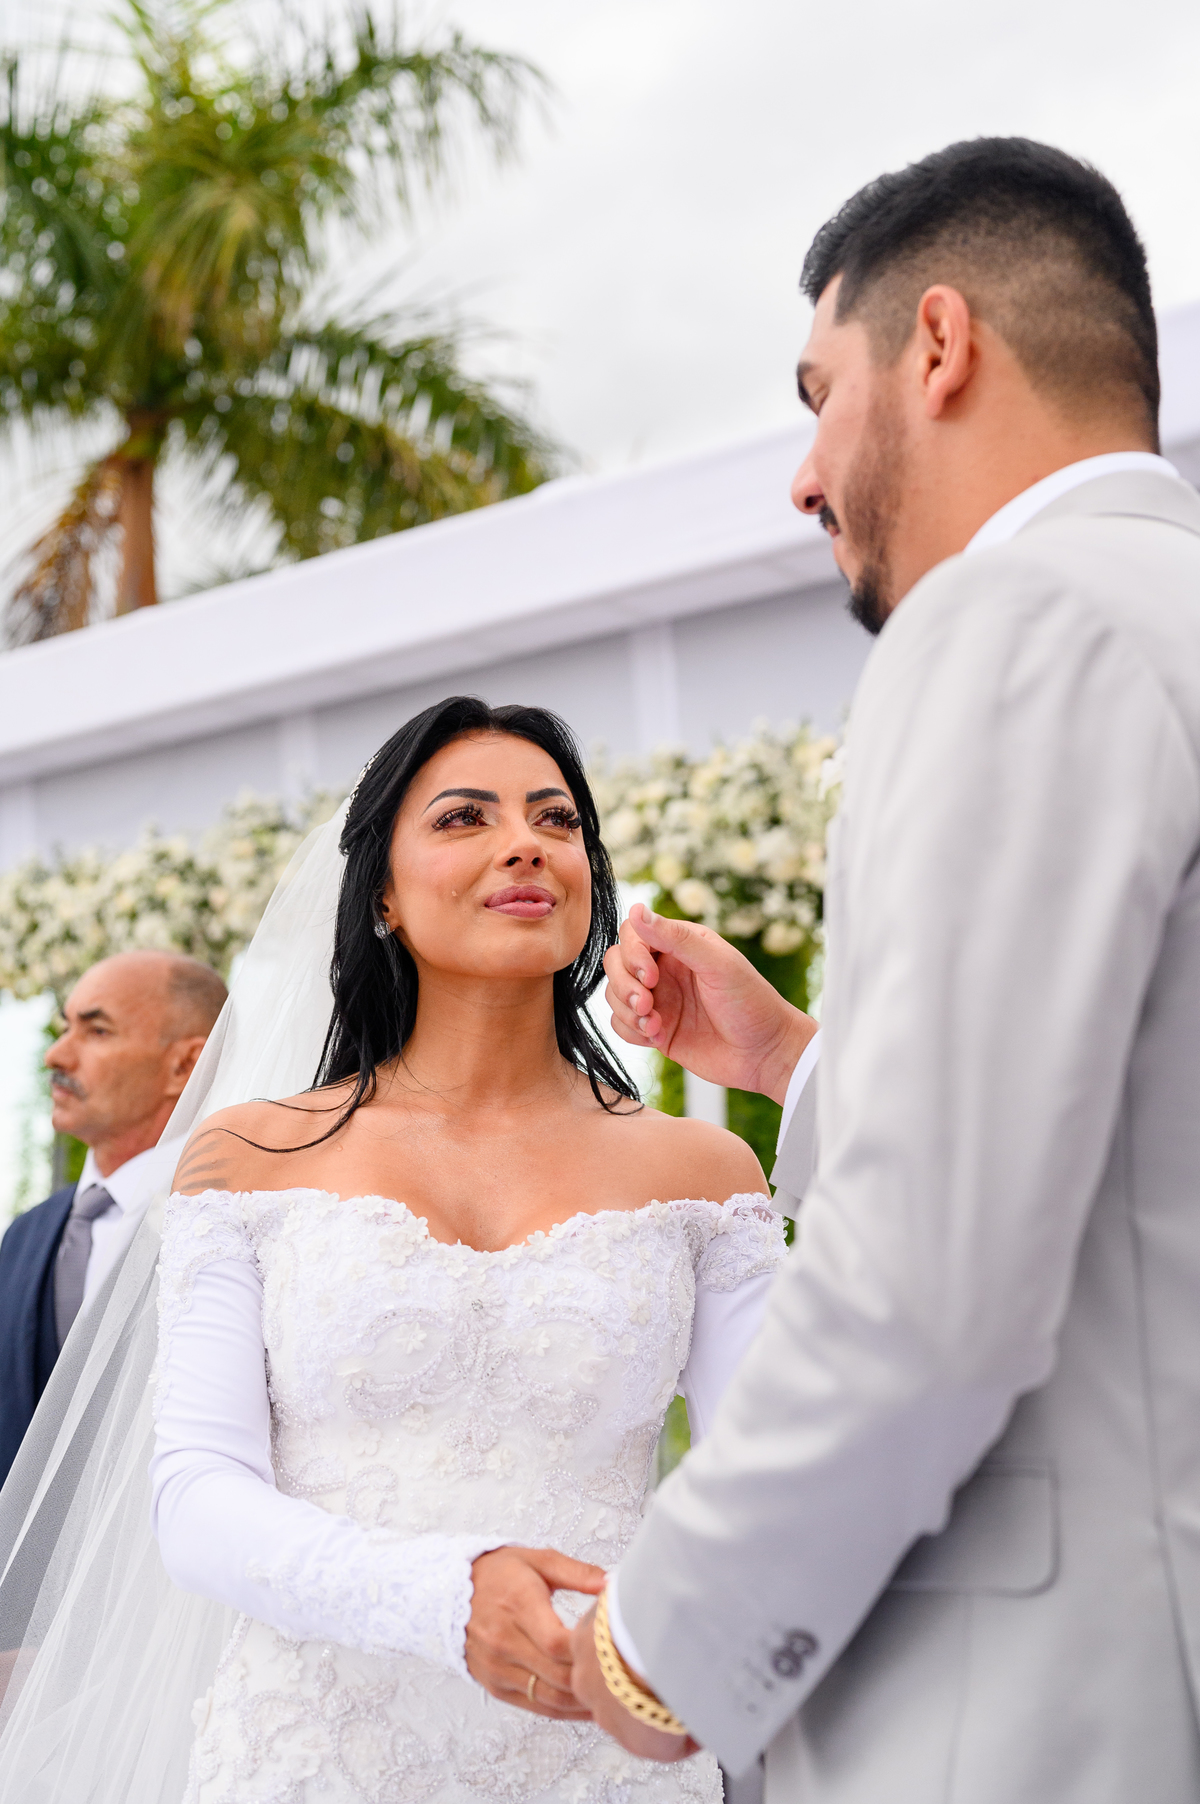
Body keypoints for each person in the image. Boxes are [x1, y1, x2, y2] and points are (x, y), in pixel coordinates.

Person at [572, 137, 1200, 1803]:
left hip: (1059, 1713)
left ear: (938, 344)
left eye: (816, 395)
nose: (804, 477)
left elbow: (927, 1286)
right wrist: (795, 1060)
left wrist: (658, 1641)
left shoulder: (1019, 617)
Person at [0, 697, 818, 1804]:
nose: (525, 843)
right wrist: (445, 1593)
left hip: (599, 1751)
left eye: (557, 819)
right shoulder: (251, 1156)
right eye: (465, 817)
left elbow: (777, 1484)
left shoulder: (702, 1171)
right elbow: (195, 1497)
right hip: (309, 1754)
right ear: (381, 892)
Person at [0, 951, 226, 1486]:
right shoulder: (23, 1236)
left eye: (96, 1031)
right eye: (64, 1028)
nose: (56, 1054)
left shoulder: (227, 1222)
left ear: (185, 1066)